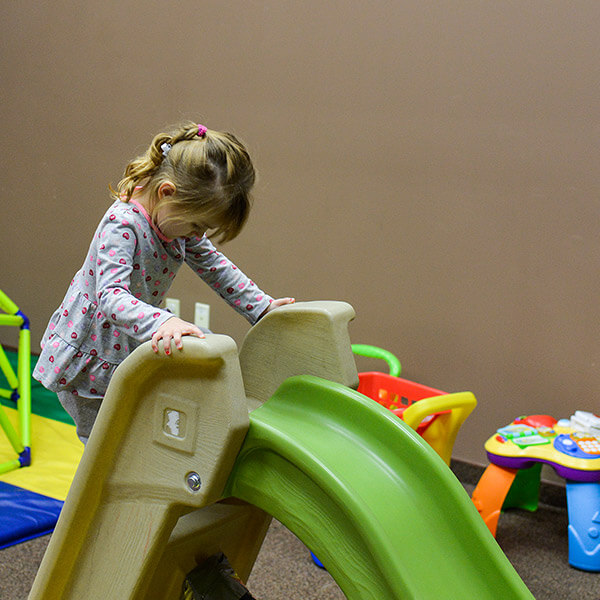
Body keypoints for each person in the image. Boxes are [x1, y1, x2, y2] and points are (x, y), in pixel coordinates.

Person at [33, 121, 294, 443]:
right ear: (166, 191)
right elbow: (110, 296)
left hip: (133, 335)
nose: (199, 236)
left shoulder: (175, 220)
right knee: (105, 443)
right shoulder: (123, 224)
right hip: (94, 351)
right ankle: (100, 490)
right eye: (198, 225)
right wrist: (164, 320)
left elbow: (215, 266)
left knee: (201, 354)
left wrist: (262, 307)